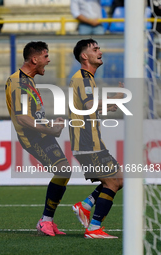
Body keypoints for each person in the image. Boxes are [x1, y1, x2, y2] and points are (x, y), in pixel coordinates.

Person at [5, 41, 72, 236]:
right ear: (34, 59)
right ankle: (45, 221)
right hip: (33, 138)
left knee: (64, 171)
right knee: (63, 170)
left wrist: (49, 124)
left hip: (40, 133)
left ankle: (47, 220)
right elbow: (22, 118)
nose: (48, 60)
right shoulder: (19, 83)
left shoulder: (26, 80)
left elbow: (31, 114)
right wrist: (50, 131)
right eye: (45, 56)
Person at [69, 38, 124, 239]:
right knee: (112, 183)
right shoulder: (82, 78)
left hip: (92, 142)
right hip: (86, 143)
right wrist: (116, 98)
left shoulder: (87, 78)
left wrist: (108, 105)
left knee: (120, 178)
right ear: (85, 56)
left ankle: (85, 205)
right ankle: (93, 228)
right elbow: (90, 104)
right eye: (95, 49)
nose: (100, 51)